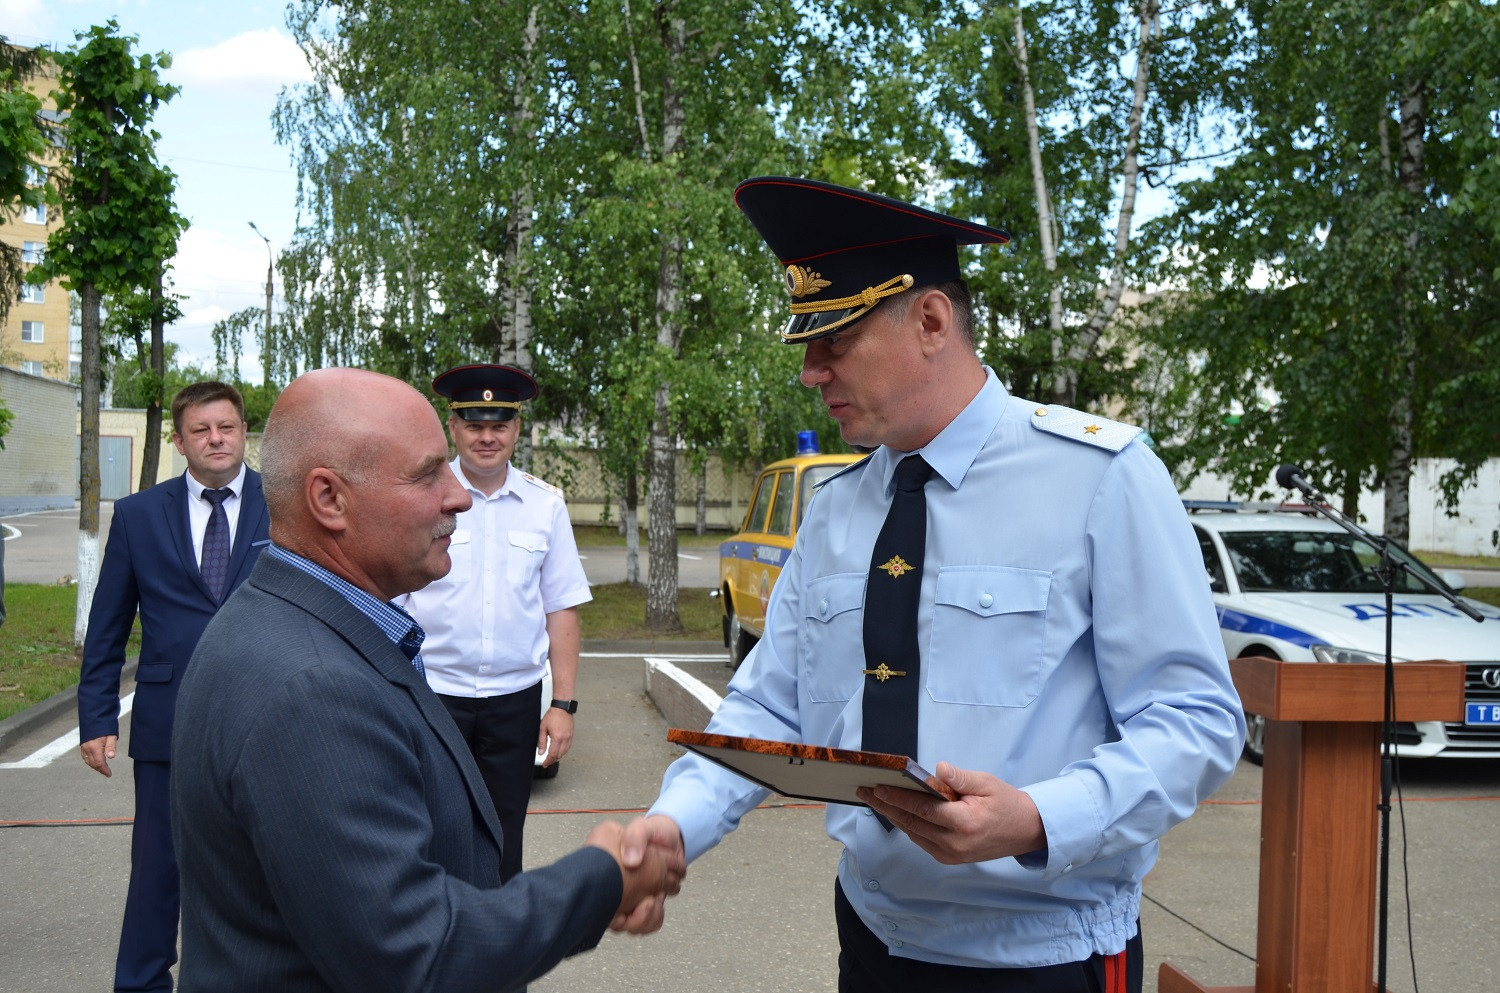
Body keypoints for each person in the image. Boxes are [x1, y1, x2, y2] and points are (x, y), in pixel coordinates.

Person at [645, 177, 1245, 992]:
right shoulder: (836, 508)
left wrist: (1036, 818)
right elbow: (769, 702)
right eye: (806, 345)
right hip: (873, 938)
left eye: (835, 341)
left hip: (1044, 957)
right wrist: (672, 828)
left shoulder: (1101, 478)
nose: (810, 372)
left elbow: (1197, 720)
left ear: (930, 320)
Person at [171, 367, 684, 993]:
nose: (460, 496)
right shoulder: (313, 691)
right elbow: (416, 954)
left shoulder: (292, 622)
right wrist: (602, 880)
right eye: (426, 474)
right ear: (329, 499)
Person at [77, 380, 270, 993]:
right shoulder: (139, 515)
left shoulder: (285, 503)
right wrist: (97, 718)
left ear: (244, 432)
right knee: (158, 869)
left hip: (268, 715)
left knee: (269, 867)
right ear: (180, 441)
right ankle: (141, 981)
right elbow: (107, 623)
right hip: (170, 722)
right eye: (201, 430)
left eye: (227, 427)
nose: (216, 439)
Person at [398, 363, 592, 883]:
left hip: (515, 701)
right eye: (475, 424)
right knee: (432, 831)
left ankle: (497, 951)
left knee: (505, 833)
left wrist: (563, 704)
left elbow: (562, 608)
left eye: (499, 425)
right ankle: (437, 948)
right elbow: (392, 600)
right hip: (435, 694)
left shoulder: (545, 505)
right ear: (454, 427)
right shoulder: (422, 502)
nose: (487, 437)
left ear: (516, 429)